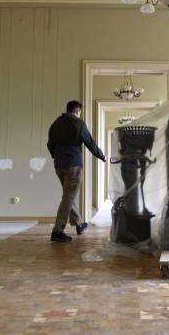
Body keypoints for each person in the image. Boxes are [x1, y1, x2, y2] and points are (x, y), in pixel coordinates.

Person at [47, 100, 106, 242]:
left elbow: (50, 144)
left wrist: (56, 156)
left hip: (59, 165)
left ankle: (79, 224)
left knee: (68, 195)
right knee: (68, 197)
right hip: (73, 164)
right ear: (78, 111)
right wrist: (101, 156)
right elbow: (90, 143)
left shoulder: (55, 124)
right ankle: (57, 231)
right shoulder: (79, 123)